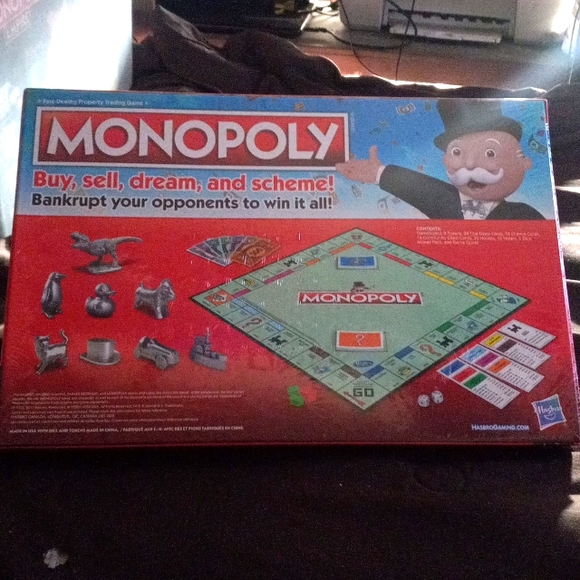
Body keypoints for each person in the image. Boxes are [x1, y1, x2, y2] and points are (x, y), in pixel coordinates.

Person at [336, 100, 545, 220]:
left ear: (524, 162)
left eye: (490, 153)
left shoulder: (524, 216)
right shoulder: (448, 203)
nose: (470, 165)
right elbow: (426, 191)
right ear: (445, 160)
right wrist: (379, 173)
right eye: (457, 153)